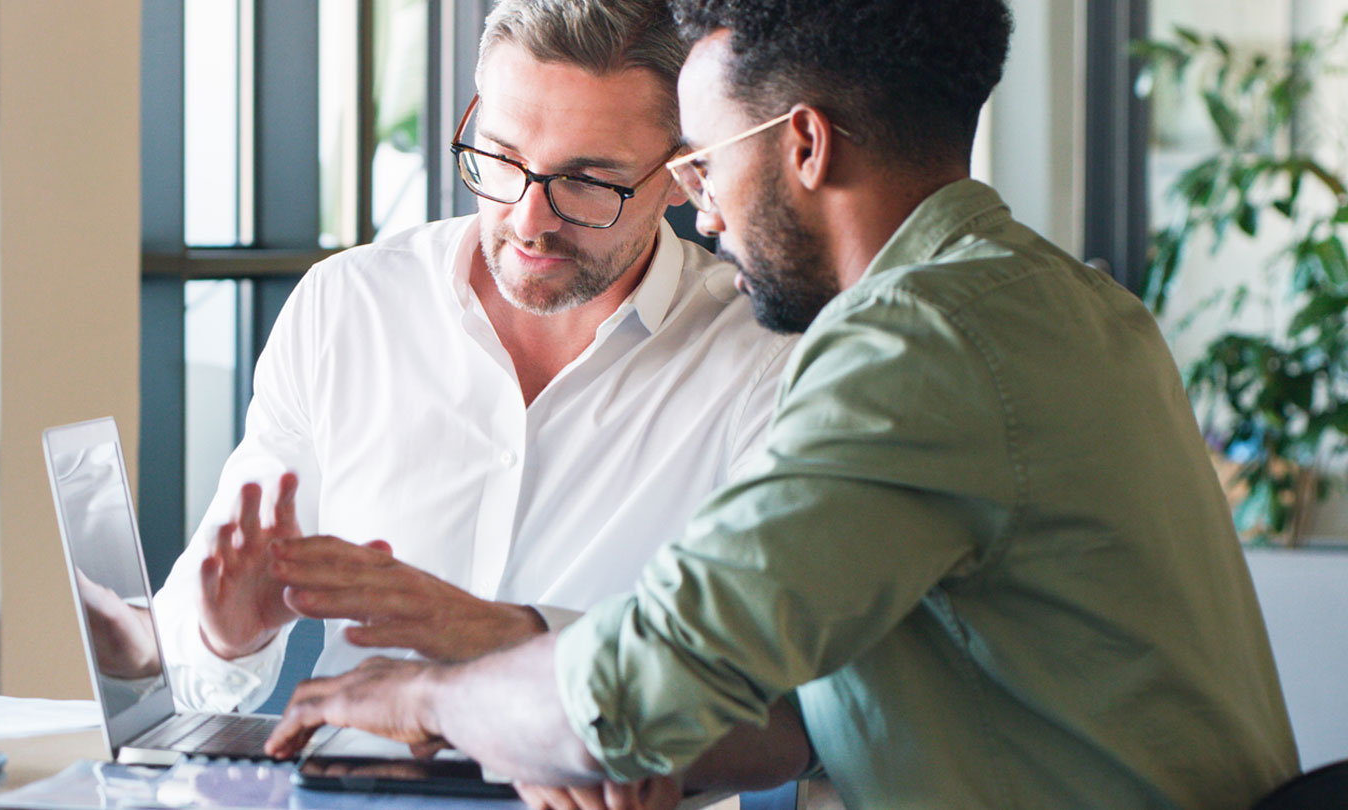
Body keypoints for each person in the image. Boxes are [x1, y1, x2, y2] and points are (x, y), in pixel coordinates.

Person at [262, 1, 1304, 808]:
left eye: (705, 160)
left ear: (803, 145)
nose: (701, 208)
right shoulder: (1063, 302)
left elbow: (638, 681)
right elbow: (774, 702)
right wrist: (569, 721)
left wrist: (415, 699)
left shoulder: (915, 347)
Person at [150, 0, 794, 715]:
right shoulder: (349, 306)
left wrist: (502, 639)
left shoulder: (759, 360)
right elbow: (194, 645)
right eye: (501, 157)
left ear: (683, 174)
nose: (528, 219)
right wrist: (225, 640)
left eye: (585, 181)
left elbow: (753, 677)